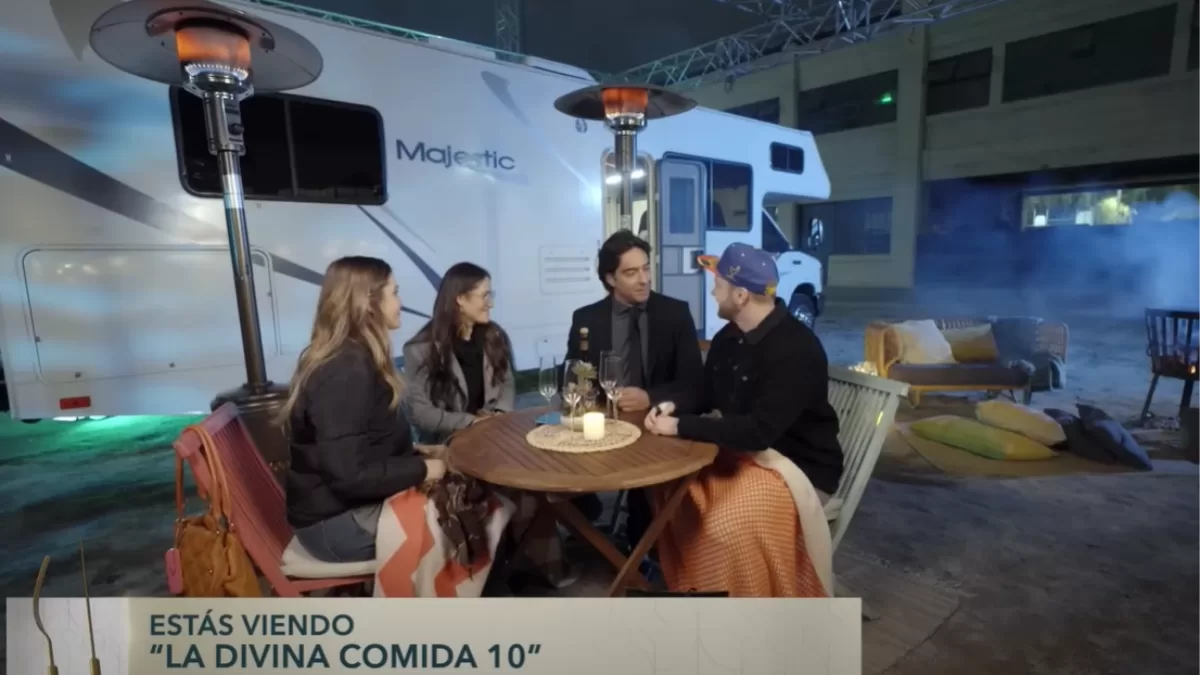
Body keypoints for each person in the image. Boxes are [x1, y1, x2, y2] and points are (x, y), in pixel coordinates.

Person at [280, 256, 513, 597]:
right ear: (368, 303)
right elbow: (350, 475)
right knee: (482, 511)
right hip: (338, 526)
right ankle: (459, 612)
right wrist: (425, 469)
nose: (400, 302)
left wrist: (420, 453)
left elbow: (355, 449)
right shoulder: (345, 370)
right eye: (394, 292)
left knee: (480, 501)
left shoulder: (352, 357)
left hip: (338, 512)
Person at [643, 242, 843, 598]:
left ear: (740, 296)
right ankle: (699, 586)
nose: (713, 293)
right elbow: (705, 393)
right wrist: (673, 406)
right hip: (747, 457)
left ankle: (747, 607)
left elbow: (757, 432)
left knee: (724, 524)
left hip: (798, 468)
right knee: (670, 488)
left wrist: (679, 426)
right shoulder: (729, 337)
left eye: (718, 285)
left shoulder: (796, 349)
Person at [564, 230, 704, 535]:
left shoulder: (675, 314)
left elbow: (695, 386)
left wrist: (650, 398)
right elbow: (573, 381)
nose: (644, 279)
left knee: (647, 495)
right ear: (610, 279)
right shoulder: (586, 319)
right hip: (604, 428)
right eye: (631, 273)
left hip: (659, 429)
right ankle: (587, 530)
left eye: (646, 268)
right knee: (562, 473)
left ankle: (642, 543)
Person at [404, 262, 514, 444]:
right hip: (447, 445)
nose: (491, 304)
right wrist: (472, 422)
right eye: (485, 296)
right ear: (460, 299)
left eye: (491, 295)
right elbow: (420, 412)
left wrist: (499, 415)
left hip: (494, 437)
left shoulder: (494, 336)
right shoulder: (421, 349)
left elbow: (506, 382)